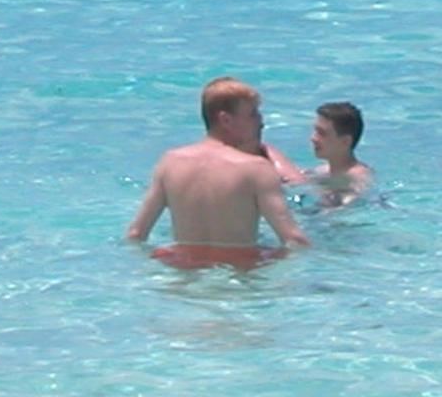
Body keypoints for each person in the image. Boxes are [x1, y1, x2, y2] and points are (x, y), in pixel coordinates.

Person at [125, 78, 311, 265]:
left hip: (183, 280)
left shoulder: (170, 162)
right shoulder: (256, 168)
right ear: (225, 120)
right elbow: (294, 240)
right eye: (252, 114)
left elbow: (135, 235)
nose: (261, 122)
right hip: (239, 280)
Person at [301, 102, 373, 204]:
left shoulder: (358, 178)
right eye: (315, 131)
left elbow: (351, 206)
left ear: (345, 142)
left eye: (322, 133)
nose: (313, 138)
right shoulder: (320, 172)